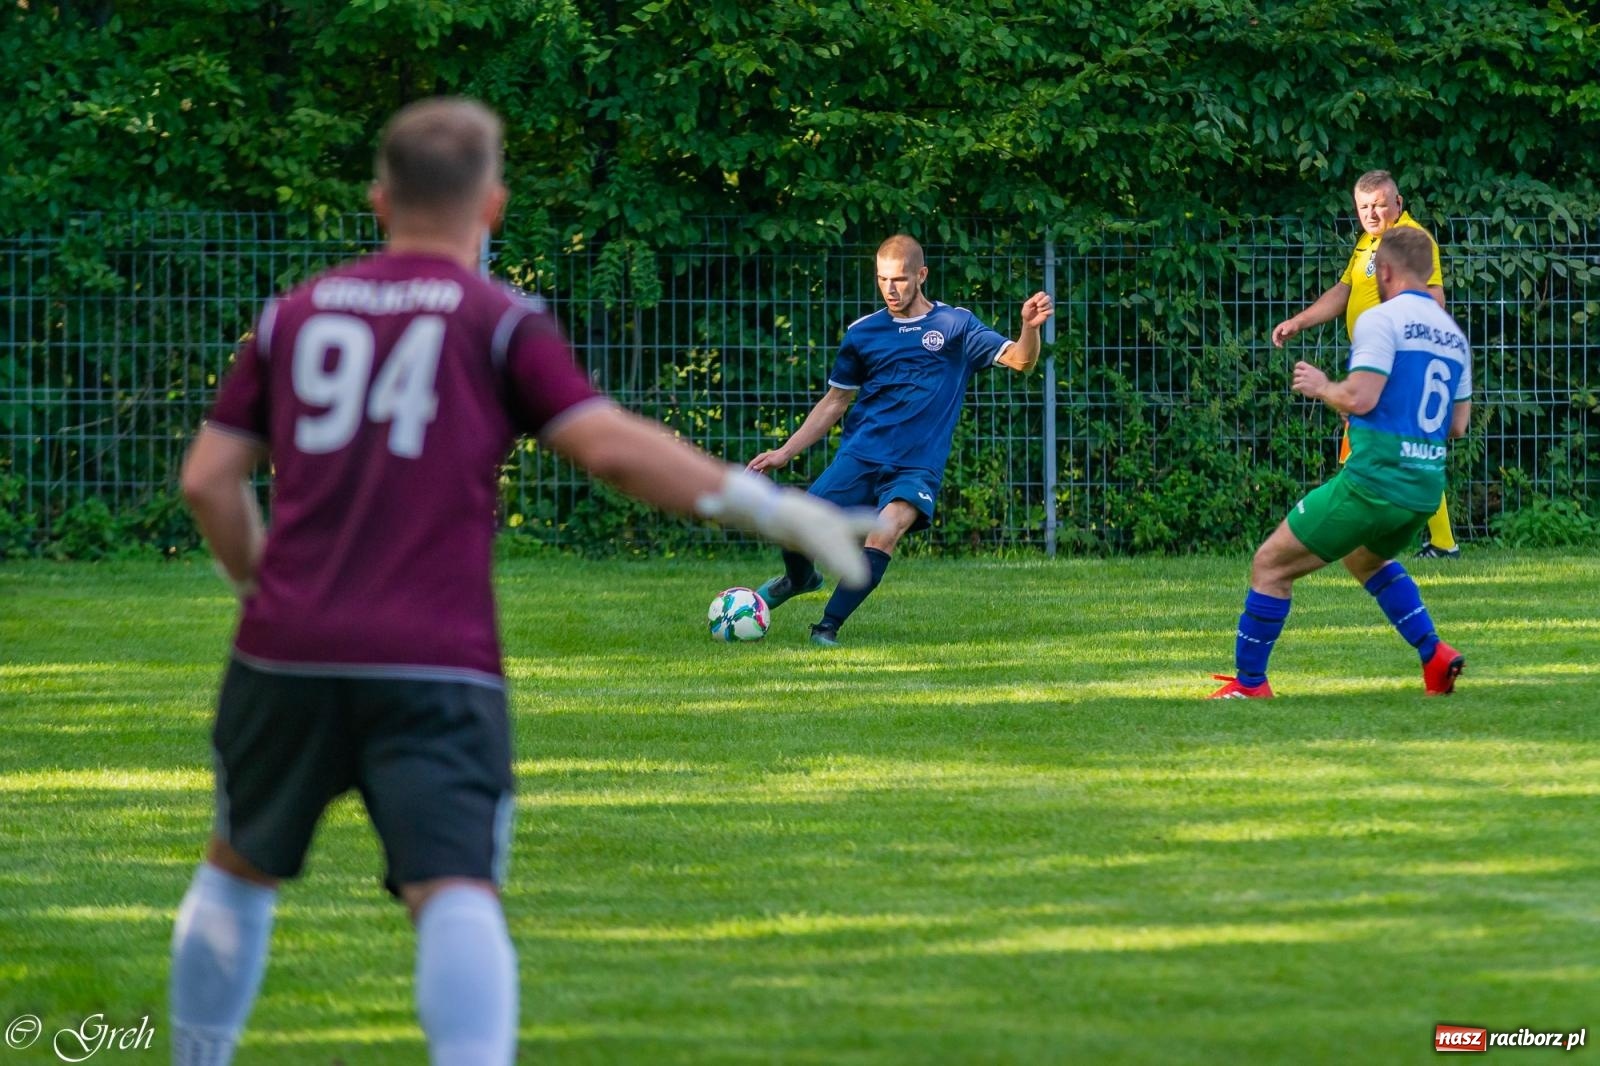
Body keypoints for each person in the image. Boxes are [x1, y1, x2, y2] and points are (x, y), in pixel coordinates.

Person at [171, 97, 880, 1066]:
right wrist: (772, 509)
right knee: (453, 889)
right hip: (436, 661)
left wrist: (265, 584)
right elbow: (606, 447)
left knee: (239, 868)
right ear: (492, 204)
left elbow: (209, 479)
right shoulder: (497, 320)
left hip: (286, 650)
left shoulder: (292, 314)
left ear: (379, 199)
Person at [745, 234, 1054, 646]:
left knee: (885, 530)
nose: (891, 289)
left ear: (922, 275)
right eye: (882, 279)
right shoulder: (863, 334)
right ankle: (799, 579)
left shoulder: (956, 326)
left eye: (901, 279)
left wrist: (1028, 328)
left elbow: (1021, 360)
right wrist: (785, 451)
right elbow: (835, 402)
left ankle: (826, 627)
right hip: (861, 455)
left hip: (917, 464)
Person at [1210, 227, 1471, 699]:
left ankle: (1249, 685)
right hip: (1422, 489)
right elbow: (1457, 426)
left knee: (1269, 565)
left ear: (1384, 271)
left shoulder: (1381, 319)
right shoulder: (1453, 336)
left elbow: (1360, 397)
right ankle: (1434, 655)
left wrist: (1322, 385)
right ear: (1429, 271)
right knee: (1364, 559)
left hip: (1373, 481)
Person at [1272, 169, 1462, 559]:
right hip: (1372, 361)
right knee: (1400, 448)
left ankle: (1358, 536)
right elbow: (1345, 290)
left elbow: (1435, 298)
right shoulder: (1368, 243)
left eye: (1379, 205)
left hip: (1392, 363)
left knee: (1376, 447)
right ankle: (1437, 543)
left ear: (1398, 204)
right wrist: (1300, 321)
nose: (1372, 214)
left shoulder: (1410, 241)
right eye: (1363, 207)